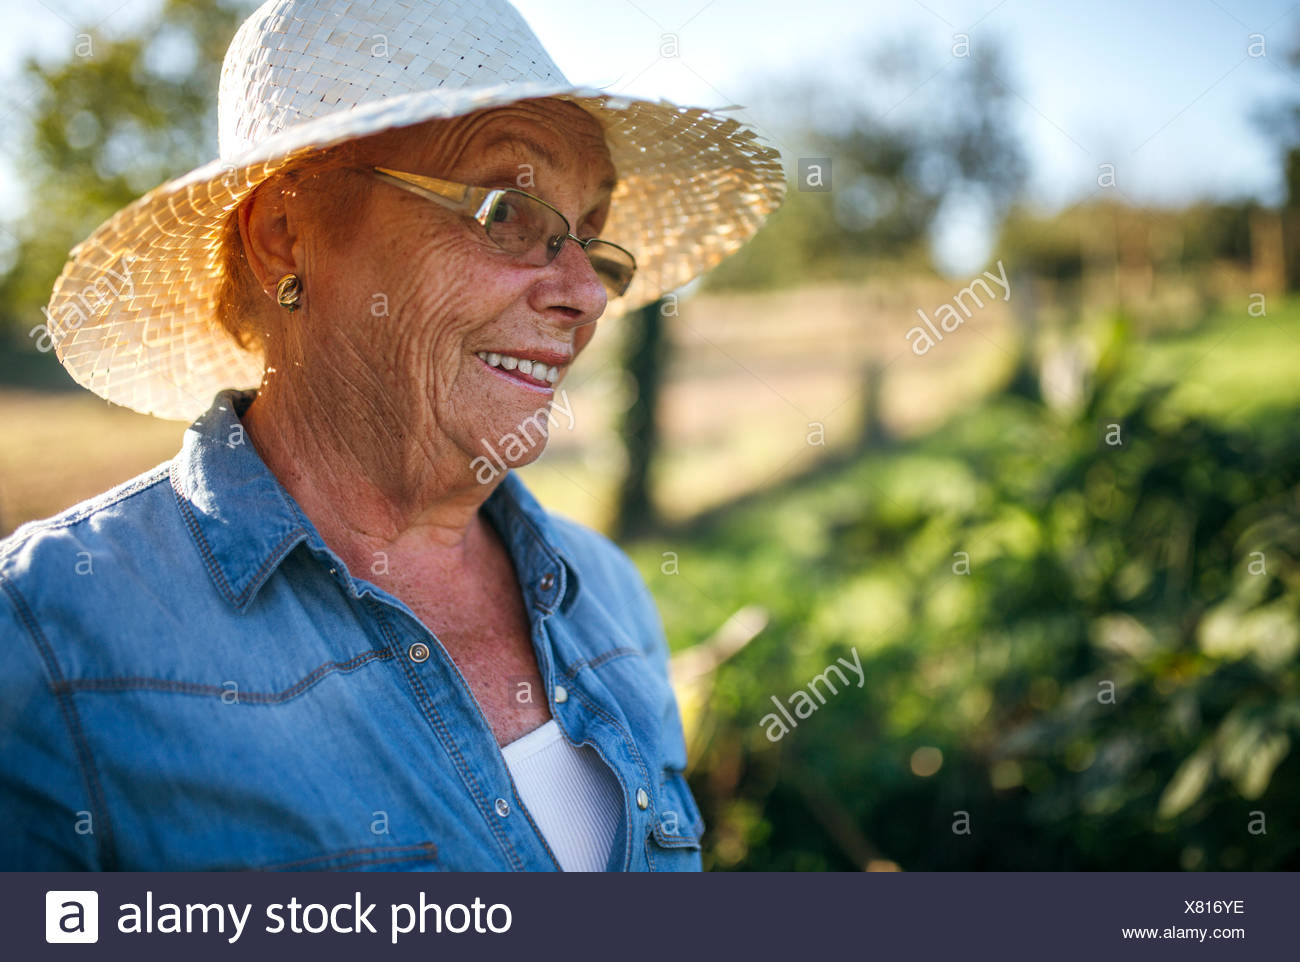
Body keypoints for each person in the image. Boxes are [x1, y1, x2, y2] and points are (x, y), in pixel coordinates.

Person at [0, 0, 784, 871]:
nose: (587, 293)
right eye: (506, 213)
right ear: (284, 238)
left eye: (590, 236)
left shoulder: (607, 597)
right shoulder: (50, 639)